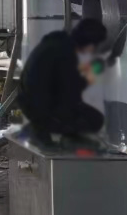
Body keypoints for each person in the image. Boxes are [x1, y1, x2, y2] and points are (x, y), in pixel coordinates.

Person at [17, 16, 107, 144]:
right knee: (95, 120)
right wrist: (88, 77)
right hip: (39, 108)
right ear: (90, 42)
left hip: (28, 100)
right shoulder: (66, 53)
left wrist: (78, 75)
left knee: (80, 112)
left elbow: (58, 80)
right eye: (95, 45)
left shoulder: (57, 42)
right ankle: (42, 129)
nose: (94, 50)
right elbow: (70, 96)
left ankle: (42, 126)